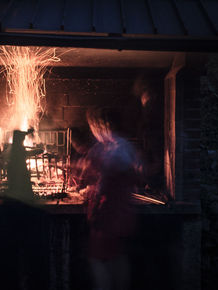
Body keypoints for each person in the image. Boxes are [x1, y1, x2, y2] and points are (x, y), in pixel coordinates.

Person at [84, 108, 140, 290]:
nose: (93, 132)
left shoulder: (114, 151)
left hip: (109, 215)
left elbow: (105, 184)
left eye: (93, 127)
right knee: (118, 257)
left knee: (98, 260)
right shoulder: (124, 146)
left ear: (101, 126)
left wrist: (92, 195)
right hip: (124, 214)